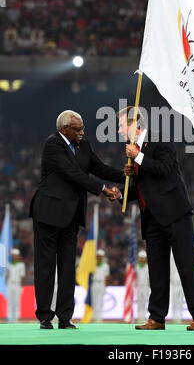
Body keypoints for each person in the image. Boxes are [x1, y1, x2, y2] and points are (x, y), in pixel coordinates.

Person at [29, 110, 125, 329]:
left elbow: (100, 168)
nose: (83, 132)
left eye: (83, 128)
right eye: (78, 129)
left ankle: (65, 317)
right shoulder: (53, 144)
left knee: (67, 267)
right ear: (64, 129)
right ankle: (45, 315)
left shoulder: (84, 145)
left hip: (71, 215)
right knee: (46, 266)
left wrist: (126, 174)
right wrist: (102, 189)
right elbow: (72, 173)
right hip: (48, 212)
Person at [115, 106, 194, 331]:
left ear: (134, 124)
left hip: (175, 213)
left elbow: (165, 170)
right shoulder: (134, 151)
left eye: (120, 125)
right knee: (156, 269)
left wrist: (139, 157)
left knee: (186, 264)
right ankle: (156, 317)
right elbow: (145, 188)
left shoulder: (160, 140)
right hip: (152, 218)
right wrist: (122, 194)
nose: (118, 131)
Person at [6, 249, 25, 322]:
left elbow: (22, 276)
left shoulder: (21, 264)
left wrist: (21, 286)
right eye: (13, 255)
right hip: (10, 284)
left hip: (17, 284)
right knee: (10, 301)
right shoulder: (8, 264)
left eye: (15, 255)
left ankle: (17, 317)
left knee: (17, 301)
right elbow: (6, 275)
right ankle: (9, 317)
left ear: (18, 256)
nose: (14, 257)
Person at [91, 249, 110, 322]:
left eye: (101, 256)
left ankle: (99, 317)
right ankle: (94, 317)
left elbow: (107, 277)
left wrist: (105, 286)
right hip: (94, 283)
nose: (99, 258)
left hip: (101, 283)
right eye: (98, 256)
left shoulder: (105, 266)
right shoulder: (92, 265)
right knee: (94, 301)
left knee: (101, 301)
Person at [170, 250, 184, 323]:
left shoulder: (182, 254)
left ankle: (180, 317)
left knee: (180, 300)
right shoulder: (170, 256)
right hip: (174, 282)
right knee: (174, 300)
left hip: (181, 281)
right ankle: (174, 316)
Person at [136, 250, 149, 323]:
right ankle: (139, 316)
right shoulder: (137, 267)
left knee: (144, 302)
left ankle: (144, 316)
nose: (141, 259)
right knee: (139, 302)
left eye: (143, 258)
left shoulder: (147, 267)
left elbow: (149, 278)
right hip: (139, 287)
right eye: (140, 258)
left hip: (145, 287)